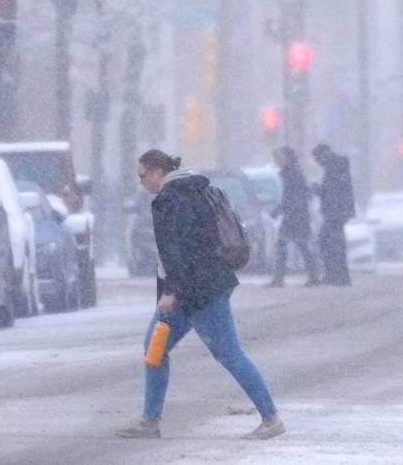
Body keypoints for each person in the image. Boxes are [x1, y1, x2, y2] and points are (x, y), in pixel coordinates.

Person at [116, 150, 285, 440]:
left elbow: (179, 251)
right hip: (194, 288)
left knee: (230, 354)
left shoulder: (172, 199)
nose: (141, 182)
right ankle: (150, 421)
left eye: (142, 175)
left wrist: (171, 291)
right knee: (154, 348)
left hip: (201, 292)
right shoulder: (195, 189)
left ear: (157, 171)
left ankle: (271, 418)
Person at [268, 146, 319, 288]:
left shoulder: (292, 173)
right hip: (296, 215)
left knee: (286, 245)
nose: (276, 161)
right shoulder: (291, 172)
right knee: (300, 245)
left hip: (295, 216)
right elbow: (297, 195)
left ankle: (279, 279)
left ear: (286, 158)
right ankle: (312, 276)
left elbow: (292, 197)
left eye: (278, 158)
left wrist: (279, 210)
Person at [312, 144, 355, 286]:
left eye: (317, 160)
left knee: (328, 243)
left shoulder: (332, 166)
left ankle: (336, 275)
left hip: (334, 213)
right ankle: (339, 275)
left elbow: (332, 191)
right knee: (334, 244)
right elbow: (336, 189)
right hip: (337, 212)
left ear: (322, 155)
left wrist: (318, 190)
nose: (318, 163)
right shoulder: (337, 164)